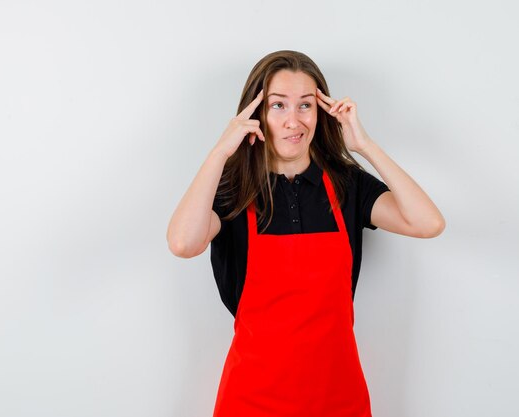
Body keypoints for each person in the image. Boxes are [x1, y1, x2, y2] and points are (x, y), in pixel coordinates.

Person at [166, 50, 445, 417]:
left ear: (321, 112)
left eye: (306, 106)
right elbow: (184, 243)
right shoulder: (233, 192)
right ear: (255, 114)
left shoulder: (347, 185)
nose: (293, 121)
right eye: (278, 105)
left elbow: (428, 223)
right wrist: (220, 152)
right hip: (251, 401)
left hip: (338, 398)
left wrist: (365, 146)